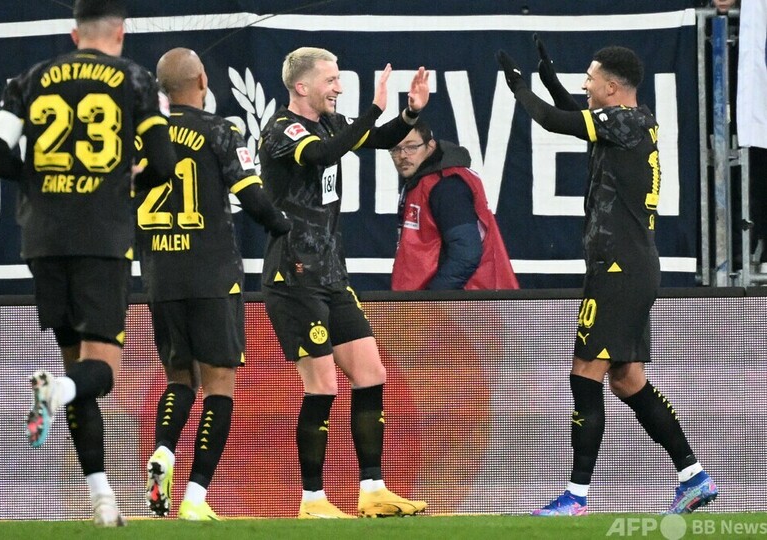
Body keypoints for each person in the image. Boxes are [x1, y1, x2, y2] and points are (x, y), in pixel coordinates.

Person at [497, 37, 718, 515]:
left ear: (612, 88)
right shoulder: (632, 121)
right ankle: (694, 476)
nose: (585, 85)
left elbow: (553, 121)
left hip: (618, 267)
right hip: (632, 265)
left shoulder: (622, 121)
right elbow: (574, 115)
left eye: (590, 79)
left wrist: (518, 88)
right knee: (627, 378)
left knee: (585, 374)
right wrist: (549, 81)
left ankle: (575, 497)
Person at [0, 0, 176, 527]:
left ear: (74, 33)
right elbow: (163, 163)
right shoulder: (136, 80)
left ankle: (101, 497)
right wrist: (125, 181)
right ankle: (57, 393)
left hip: (43, 239)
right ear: (121, 32)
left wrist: (39, 179)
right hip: (100, 237)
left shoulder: (29, 79)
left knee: (76, 367)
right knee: (98, 372)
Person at [258, 47, 429, 519]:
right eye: (330, 80)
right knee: (322, 386)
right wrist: (373, 107)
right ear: (302, 87)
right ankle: (312, 499)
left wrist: (409, 113)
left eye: (338, 79)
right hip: (293, 276)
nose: (338, 87)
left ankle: (373, 490)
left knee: (372, 374)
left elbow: (377, 137)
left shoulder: (331, 122)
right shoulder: (282, 130)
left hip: (332, 275)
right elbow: (323, 154)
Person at [137, 47, 291, 521]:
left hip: (160, 276)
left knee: (179, 379)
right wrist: (284, 227)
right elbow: (253, 198)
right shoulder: (219, 131)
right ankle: (195, 497)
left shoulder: (141, 136)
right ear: (202, 80)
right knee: (219, 387)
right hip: (211, 274)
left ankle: (164, 450)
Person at [389, 118, 519, 290]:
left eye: (411, 147)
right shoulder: (424, 182)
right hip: (449, 300)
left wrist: (431, 299)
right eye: (395, 149)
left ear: (430, 146)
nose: (403, 155)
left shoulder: (447, 186)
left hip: (465, 301)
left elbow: (466, 254)